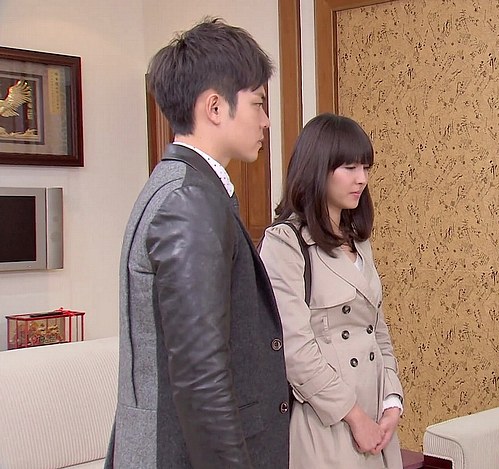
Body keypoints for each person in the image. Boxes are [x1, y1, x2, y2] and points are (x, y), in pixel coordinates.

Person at [105, 19, 290, 468]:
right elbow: (201, 375)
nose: (266, 120)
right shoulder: (189, 200)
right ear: (215, 107)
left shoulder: (179, 186)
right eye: (258, 103)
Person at [259, 113, 405, 469]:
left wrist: (391, 400)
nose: (362, 179)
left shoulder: (358, 241)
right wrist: (354, 416)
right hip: (326, 420)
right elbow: (295, 350)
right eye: (350, 168)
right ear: (317, 168)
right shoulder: (285, 242)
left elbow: (377, 330)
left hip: (375, 417)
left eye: (366, 168)